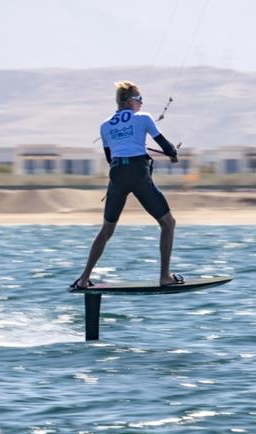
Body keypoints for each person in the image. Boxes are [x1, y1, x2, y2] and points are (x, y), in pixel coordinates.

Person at [72, 80, 183, 289]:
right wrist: (173, 154)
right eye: (139, 99)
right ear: (131, 100)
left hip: (116, 174)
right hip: (137, 173)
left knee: (106, 230)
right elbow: (166, 147)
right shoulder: (143, 118)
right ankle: (165, 276)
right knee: (168, 223)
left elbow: (109, 157)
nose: (141, 103)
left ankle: (84, 279)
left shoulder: (104, 126)